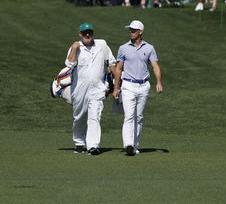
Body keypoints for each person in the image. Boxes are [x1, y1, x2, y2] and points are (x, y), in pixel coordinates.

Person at [112, 20, 163, 156]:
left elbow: (155, 66)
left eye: (134, 30)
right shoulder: (123, 48)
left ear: (141, 32)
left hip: (144, 85)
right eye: (130, 30)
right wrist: (116, 88)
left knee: (139, 117)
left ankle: (134, 145)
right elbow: (118, 69)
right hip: (128, 85)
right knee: (129, 116)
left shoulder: (149, 48)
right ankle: (128, 144)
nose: (131, 32)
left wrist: (159, 82)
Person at [64, 23, 116, 155]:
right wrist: (75, 48)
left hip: (98, 88)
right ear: (80, 34)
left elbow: (111, 64)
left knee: (95, 116)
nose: (88, 35)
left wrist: (116, 85)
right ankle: (79, 142)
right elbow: (69, 64)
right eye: (85, 32)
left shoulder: (102, 46)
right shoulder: (75, 47)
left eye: (90, 32)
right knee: (79, 117)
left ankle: (93, 146)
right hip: (79, 88)